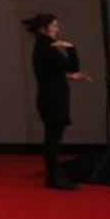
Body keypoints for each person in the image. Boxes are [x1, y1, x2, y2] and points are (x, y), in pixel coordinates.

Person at [24, 12, 90, 190]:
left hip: (49, 98)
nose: (57, 28)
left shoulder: (43, 47)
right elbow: (72, 65)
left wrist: (69, 76)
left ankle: (54, 177)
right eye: (54, 25)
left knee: (52, 139)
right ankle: (54, 179)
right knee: (53, 140)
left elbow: (52, 72)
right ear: (43, 28)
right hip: (52, 100)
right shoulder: (46, 47)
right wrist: (71, 47)